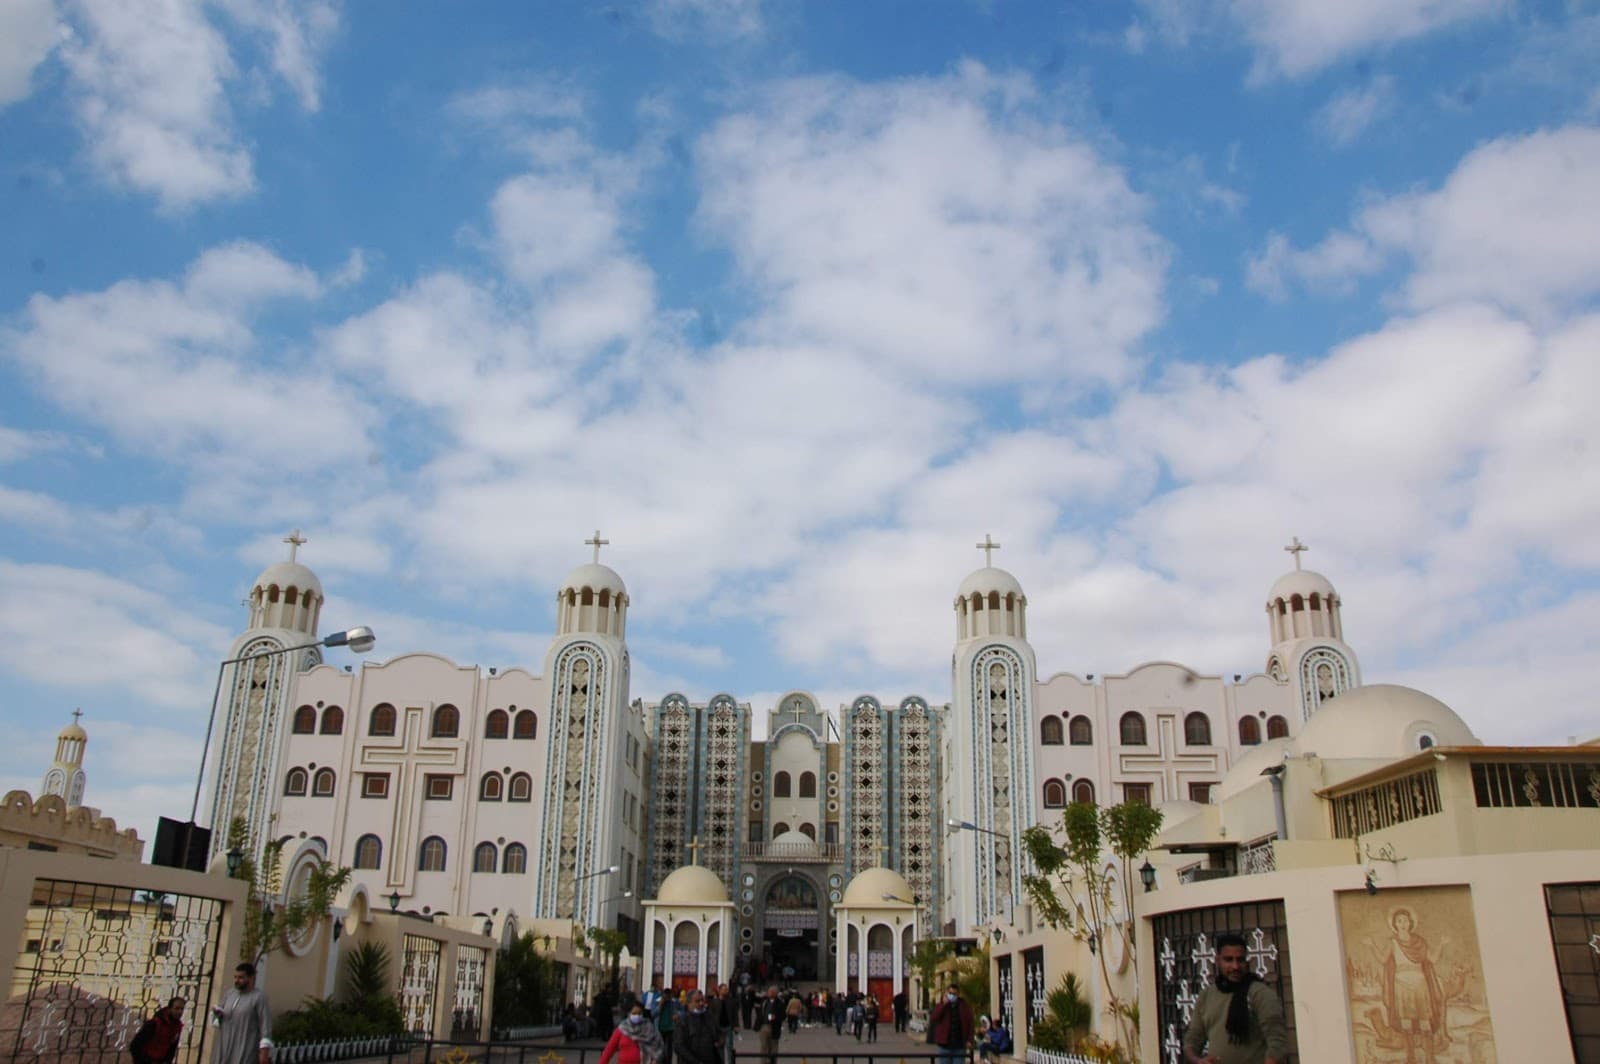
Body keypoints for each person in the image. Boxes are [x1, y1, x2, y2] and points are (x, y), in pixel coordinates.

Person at [1182, 932, 1289, 1064]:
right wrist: (1198, 1060)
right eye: (1228, 960)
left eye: (1240, 960)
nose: (1235, 966)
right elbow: (1193, 1039)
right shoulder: (1207, 995)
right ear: (1217, 961)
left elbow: (1277, 1043)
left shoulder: (1260, 993)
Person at [211, 964, 271, 1064]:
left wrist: (264, 1052)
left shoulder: (259, 997)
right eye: (235, 977)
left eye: (241, 977)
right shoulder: (230, 994)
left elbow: (265, 1025)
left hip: (245, 1046)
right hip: (225, 1045)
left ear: (251, 978)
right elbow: (218, 1018)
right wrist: (216, 1014)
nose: (237, 981)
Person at [601, 1003, 666, 1064]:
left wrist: (655, 1060)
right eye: (634, 1013)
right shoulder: (621, 1029)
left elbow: (659, 1047)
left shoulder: (650, 1029)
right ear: (629, 1014)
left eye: (639, 1013)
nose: (637, 1016)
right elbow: (609, 1050)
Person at [129, 997, 185, 1064]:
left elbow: (172, 1048)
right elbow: (135, 1045)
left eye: (182, 1009)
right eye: (177, 1008)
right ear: (170, 1009)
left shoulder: (177, 1027)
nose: (180, 1012)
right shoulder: (155, 1023)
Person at [928, 984, 974, 1064]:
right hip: (945, 1045)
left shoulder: (963, 1005)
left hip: (959, 1046)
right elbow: (934, 1017)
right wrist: (944, 1005)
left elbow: (970, 1023)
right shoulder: (941, 1005)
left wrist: (969, 1039)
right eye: (950, 993)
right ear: (947, 993)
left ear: (958, 994)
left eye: (954, 994)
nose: (952, 996)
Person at [676, 991, 723, 1064]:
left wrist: (720, 1041)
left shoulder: (709, 1017)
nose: (701, 1003)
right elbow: (679, 1046)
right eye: (697, 1001)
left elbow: (719, 1033)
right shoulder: (683, 1020)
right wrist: (695, 1061)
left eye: (702, 1000)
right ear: (689, 1003)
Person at [758, 986, 785, 1064]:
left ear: (775, 993)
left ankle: (772, 1061)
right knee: (763, 1046)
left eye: (770, 992)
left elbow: (783, 1016)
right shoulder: (765, 1002)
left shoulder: (780, 1003)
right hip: (764, 1026)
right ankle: (763, 1062)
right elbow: (761, 1013)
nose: (768, 993)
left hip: (774, 1027)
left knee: (773, 1047)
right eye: (768, 991)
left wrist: (776, 1017)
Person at [657, 988, 681, 1064]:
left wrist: (677, 1015)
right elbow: (653, 1013)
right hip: (660, 1028)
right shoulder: (658, 1002)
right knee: (660, 1048)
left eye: (669, 995)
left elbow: (680, 1011)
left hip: (670, 1028)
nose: (667, 997)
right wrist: (660, 1005)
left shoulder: (673, 1003)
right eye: (666, 995)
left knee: (669, 1048)